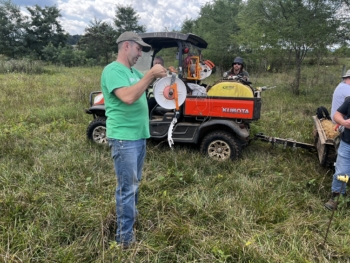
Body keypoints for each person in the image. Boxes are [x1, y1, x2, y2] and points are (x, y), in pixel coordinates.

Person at [101, 31, 167, 248]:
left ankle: (130, 224)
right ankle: (125, 240)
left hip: (138, 138)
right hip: (124, 139)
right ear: (126, 46)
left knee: (134, 185)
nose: (140, 53)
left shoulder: (132, 72)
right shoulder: (113, 70)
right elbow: (128, 97)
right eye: (139, 49)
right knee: (127, 188)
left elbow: (150, 85)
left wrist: (165, 76)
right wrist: (150, 75)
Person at [324, 96, 350, 211]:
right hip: (347, 143)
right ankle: (337, 197)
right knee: (342, 172)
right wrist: (343, 122)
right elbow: (337, 115)